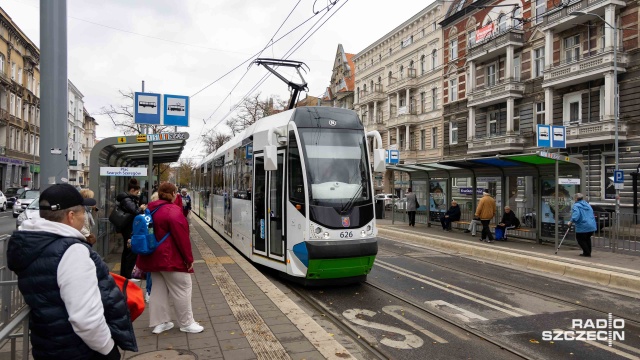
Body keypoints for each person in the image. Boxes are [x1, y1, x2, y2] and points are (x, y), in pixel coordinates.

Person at [8, 184, 137, 359]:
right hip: (79, 349)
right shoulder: (71, 252)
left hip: (49, 343)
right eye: (83, 212)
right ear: (71, 216)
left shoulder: (33, 244)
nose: (85, 217)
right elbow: (85, 318)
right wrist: (108, 349)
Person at [136, 183, 204, 334]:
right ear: (174, 193)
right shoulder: (173, 211)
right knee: (183, 288)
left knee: (158, 291)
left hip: (153, 258)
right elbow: (182, 238)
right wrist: (188, 258)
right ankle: (187, 323)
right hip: (170, 258)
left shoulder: (150, 209)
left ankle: (161, 323)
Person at [117, 178, 147, 279]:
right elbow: (135, 211)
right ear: (132, 190)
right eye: (137, 192)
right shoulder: (127, 200)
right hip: (128, 228)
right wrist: (141, 208)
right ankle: (128, 275)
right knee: (130, 251)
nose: (138, 194)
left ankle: (125, 274)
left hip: (128, 227)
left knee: (127, 251)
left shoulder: (127, 198)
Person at [567, 193, 597, 257]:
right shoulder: (587, 204)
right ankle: (588, 252)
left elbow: (576, 215)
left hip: (583, 225)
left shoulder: (576, 205)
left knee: (580, 239)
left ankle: (586, 253)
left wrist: (571, 221)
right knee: (587, 238)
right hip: (591, 225)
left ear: (576, 199)